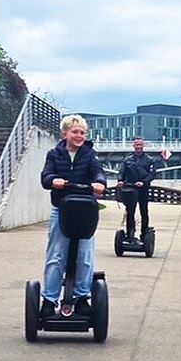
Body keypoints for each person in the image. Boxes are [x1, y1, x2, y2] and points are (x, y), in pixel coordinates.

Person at [39, 114, 106, 317]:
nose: (79, 136)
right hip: (61, 209)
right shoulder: (54, 154)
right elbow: (45, 177)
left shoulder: (90, 154)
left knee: (84, 257)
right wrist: (53, 180)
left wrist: (100, 183)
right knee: (56, 256)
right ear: (65, 133)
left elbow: (99, 173)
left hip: (85, 210)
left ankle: (81, 298)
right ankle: (49, 300)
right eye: (75, 132)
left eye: (82, 133)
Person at [117, 137, 156, 242]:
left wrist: (144, 182)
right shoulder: (128, 159)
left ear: (143, 146)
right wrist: (120, 180)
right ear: (134, 146)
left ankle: (144, 234)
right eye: (137, 145)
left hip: (143, 188)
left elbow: (152, 174)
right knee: (130, 212)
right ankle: (130, 234)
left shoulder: (149, 160)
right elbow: (122, 171)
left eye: (140, 145)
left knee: (144, 212)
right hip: (130, 188)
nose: (138, 147)